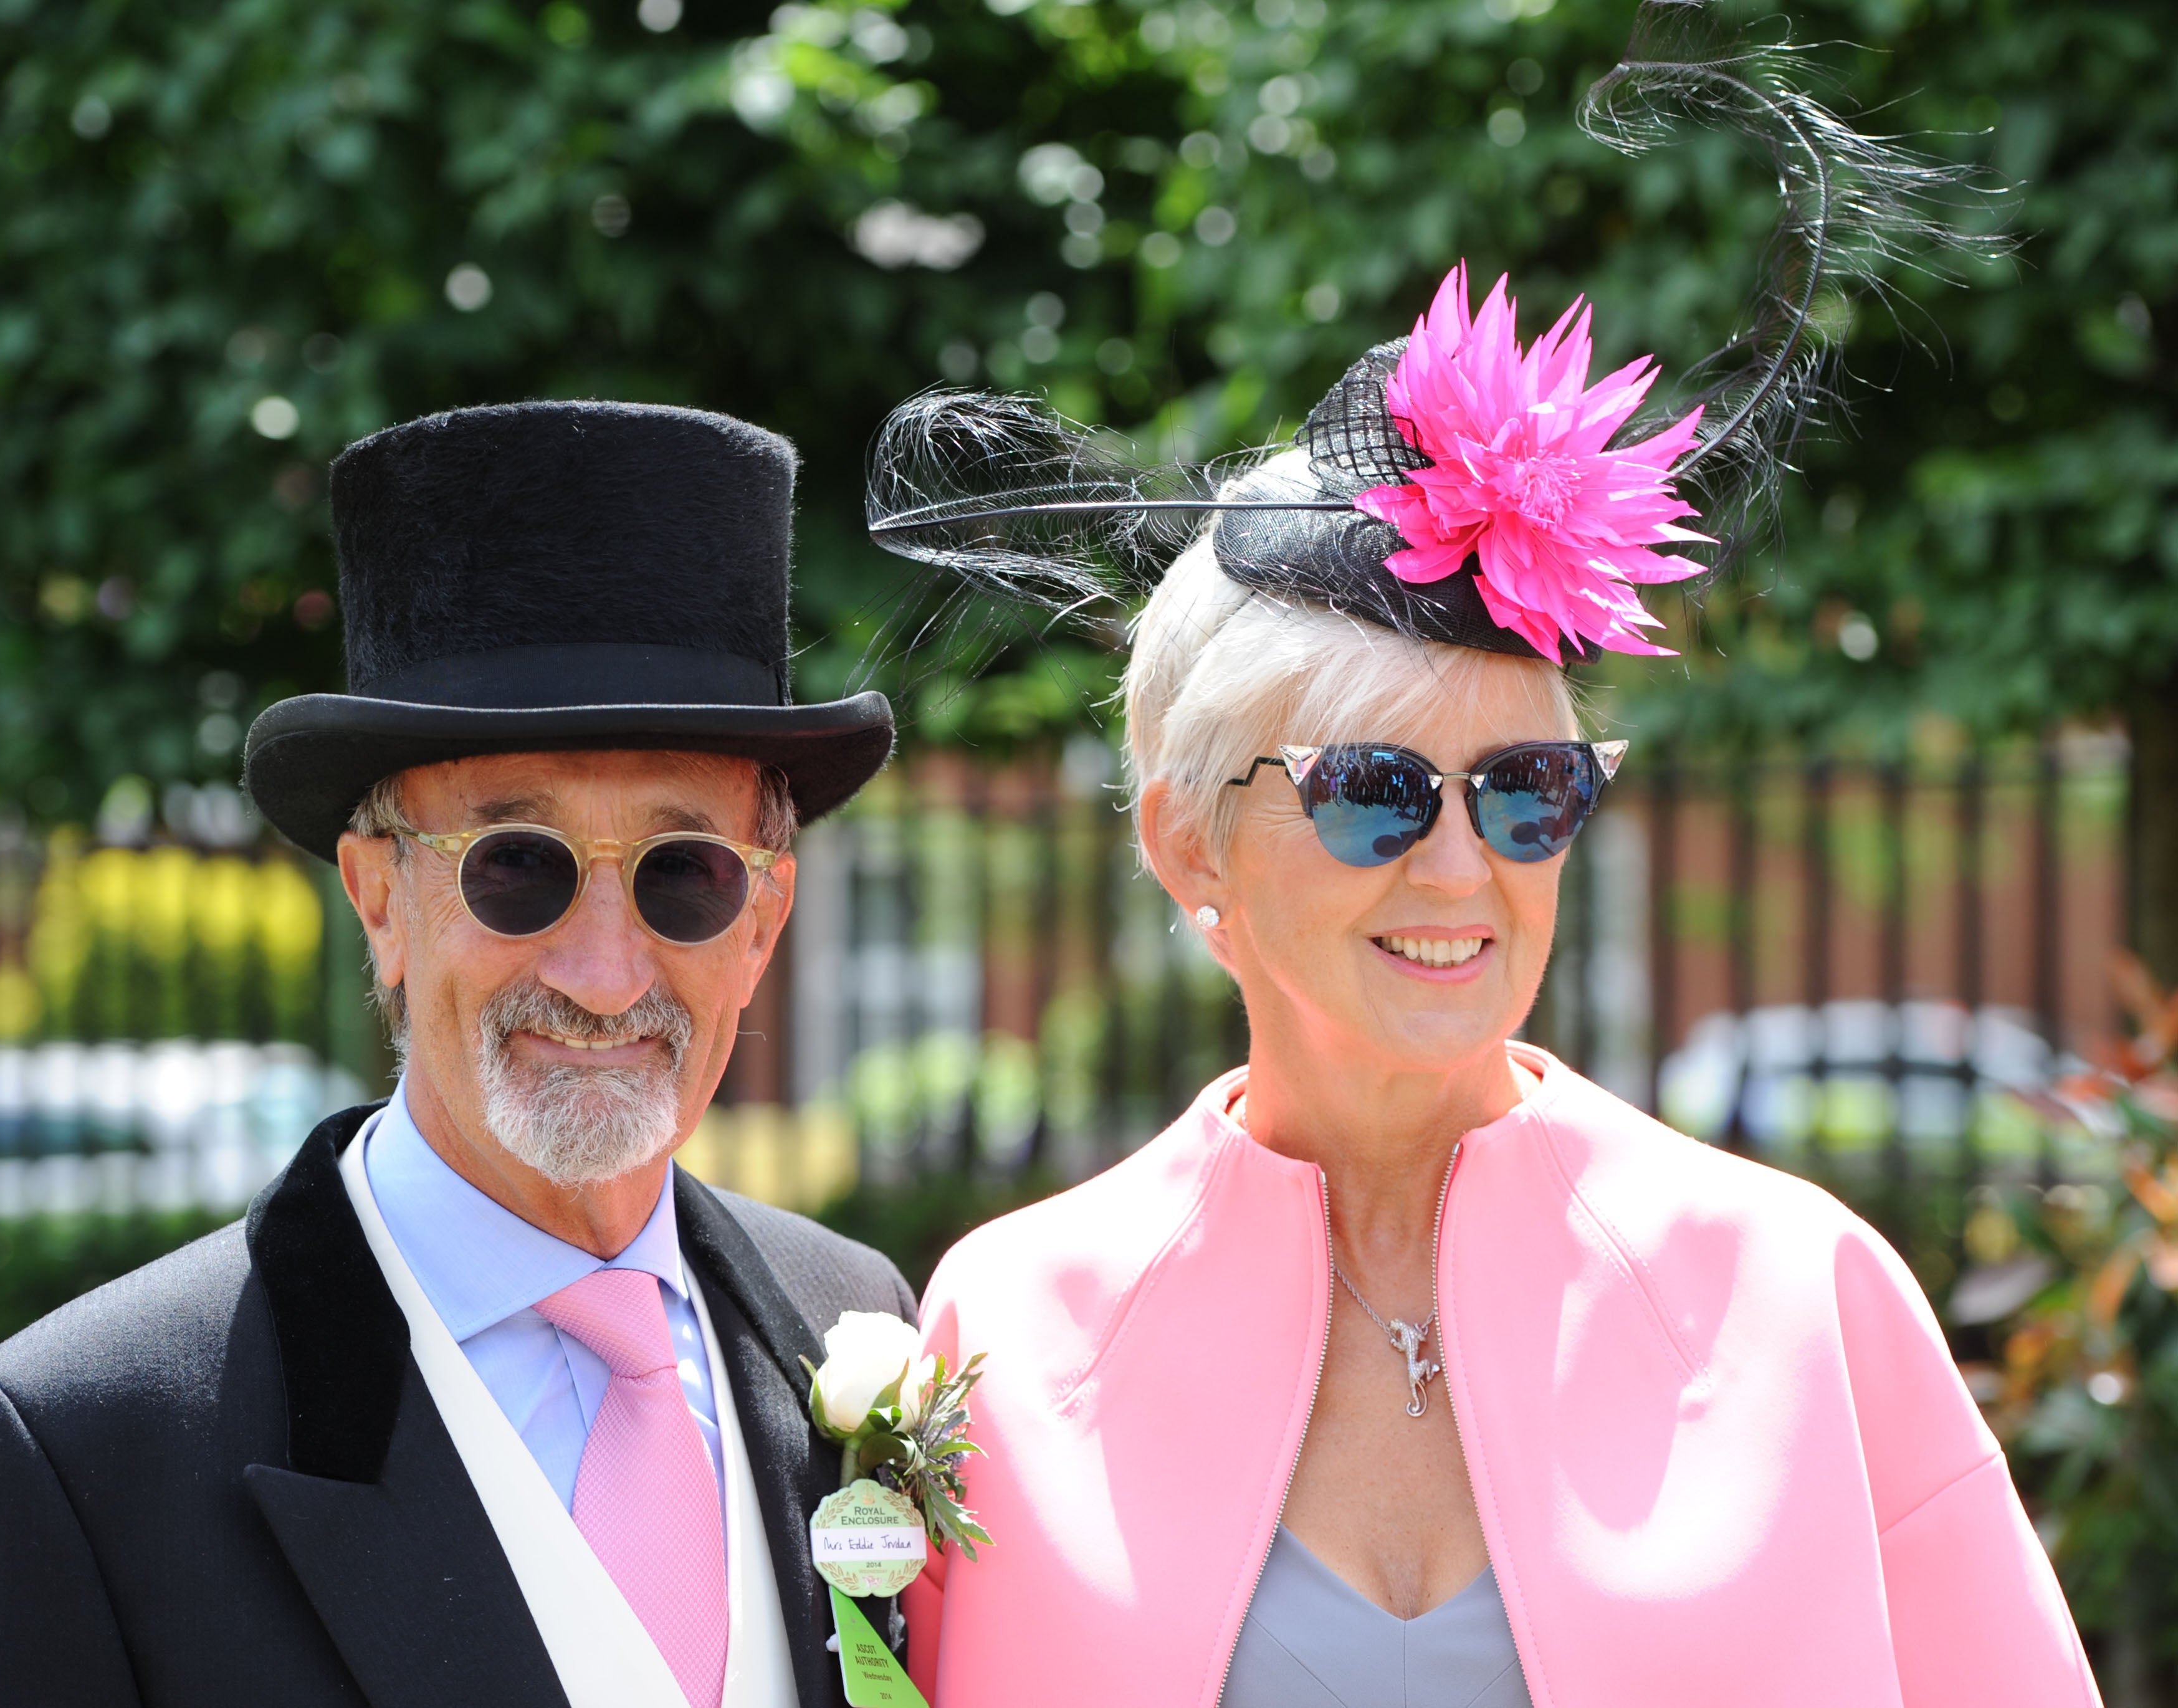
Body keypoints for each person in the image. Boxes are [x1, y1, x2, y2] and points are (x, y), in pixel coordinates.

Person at [872, 259, 2103, 1706]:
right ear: (1186, 837)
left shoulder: (1800, 1290)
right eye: (1376, 790)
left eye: (1526, 789)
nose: (1462, 869)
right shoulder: (1007, 1327)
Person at [0, 401, 910, 1708]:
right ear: (377, 896)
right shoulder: (73, 1454)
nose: (603, 973)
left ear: (762, 918)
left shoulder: (848, 1330)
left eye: (682, 874)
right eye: (514, 867)